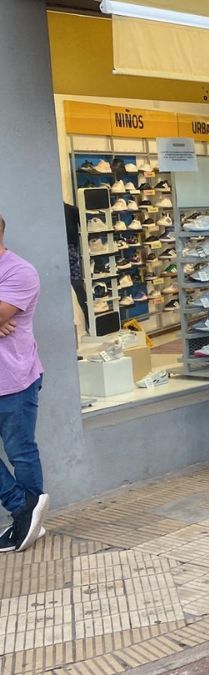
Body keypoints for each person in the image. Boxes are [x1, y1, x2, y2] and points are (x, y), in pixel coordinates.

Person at [0, 214, 50, 553]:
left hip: (13, 378)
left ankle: (30, 522)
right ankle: (23, 510)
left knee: (21, 452)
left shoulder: (20, 272)